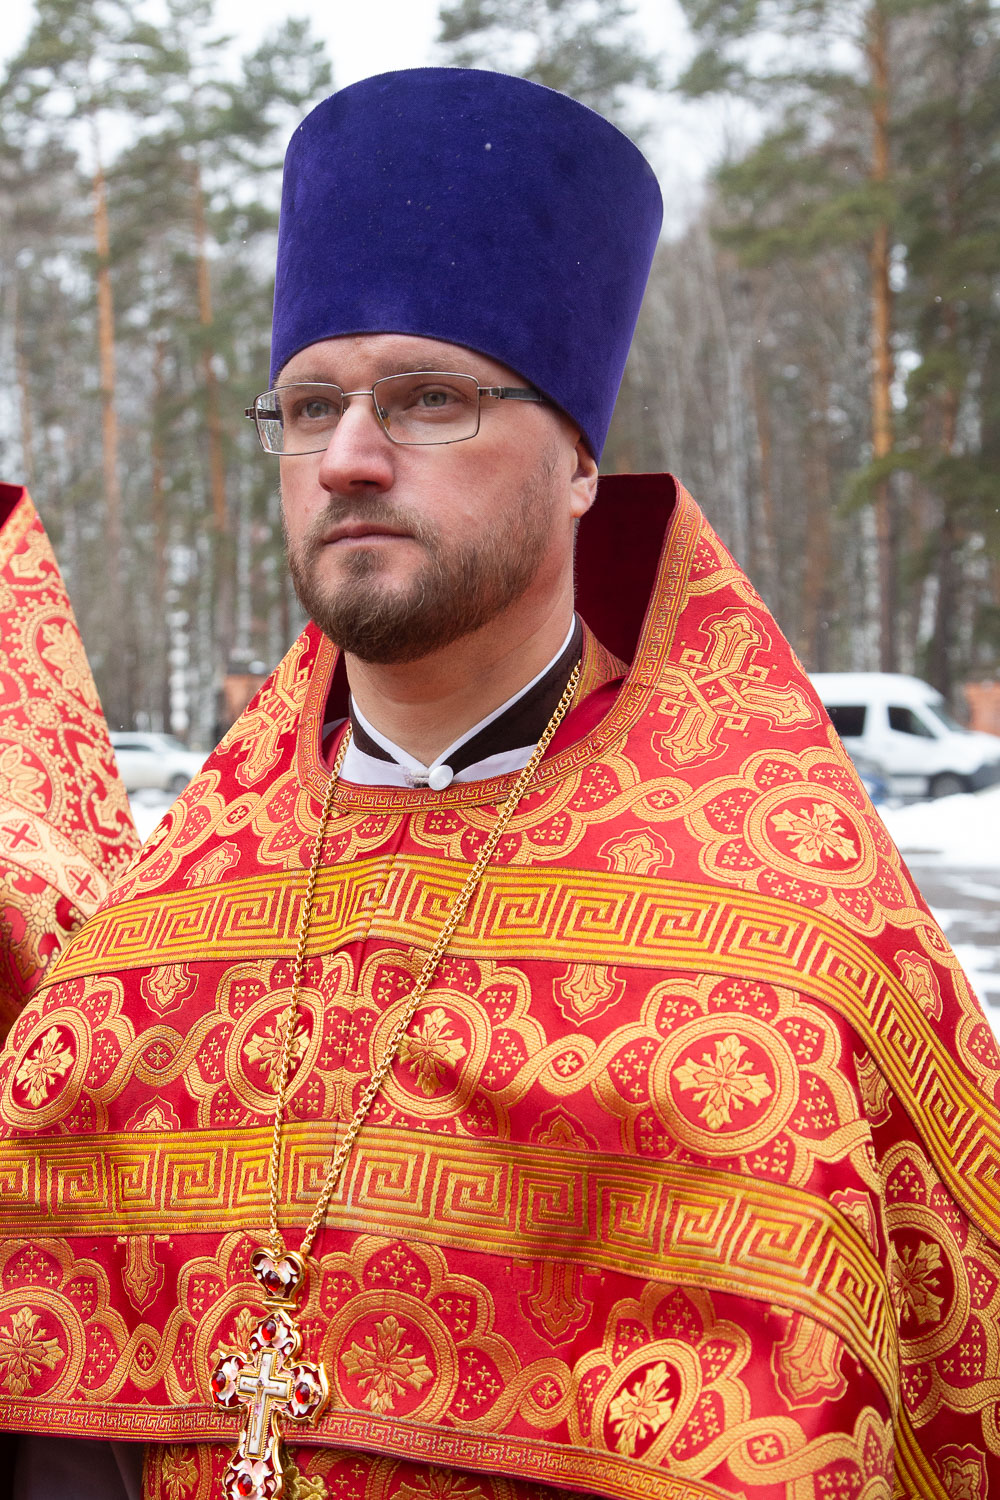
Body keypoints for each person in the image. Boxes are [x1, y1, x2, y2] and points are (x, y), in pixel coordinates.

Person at [2, 66, 1000, 1500]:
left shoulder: (792, 951)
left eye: (429, 400)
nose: (349, 458)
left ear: (581, 461)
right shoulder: (140, 954)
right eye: (309, 406)